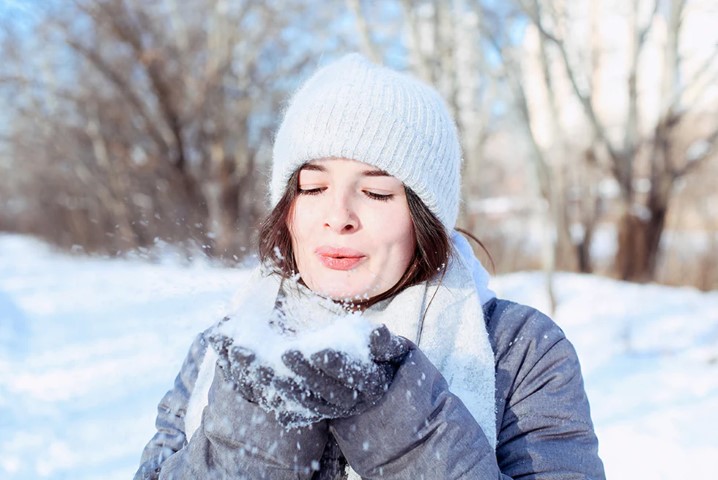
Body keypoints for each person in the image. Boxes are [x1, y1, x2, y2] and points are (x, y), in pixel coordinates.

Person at [134, 53, 605, 480]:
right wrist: (257, 439)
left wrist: (398, 418)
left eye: (377, 192)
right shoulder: (233, 346)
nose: (338, 217)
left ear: (425, 217)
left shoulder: (521, 351)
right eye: (313, 188)